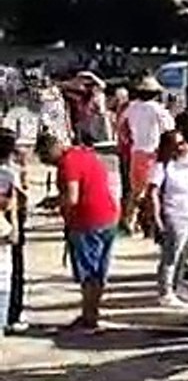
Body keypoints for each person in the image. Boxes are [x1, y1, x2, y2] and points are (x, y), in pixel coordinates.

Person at [36, 131, 119, 332]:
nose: (47, 163)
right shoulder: (84, 154)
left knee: (88, 271)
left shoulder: (67, 164)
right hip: (108, 215)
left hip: (87, 221)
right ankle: (92, 312)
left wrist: (52, 202)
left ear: (53, 150)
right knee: (99, 270)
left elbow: (72, 197)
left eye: (45, 157)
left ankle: (89, 317)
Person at [146, 126, 188, 307]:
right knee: (172, 253)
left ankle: (178, 285)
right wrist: (157, 218)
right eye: (177, 144)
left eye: (183, 142)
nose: (182, 147)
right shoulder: (163, 166)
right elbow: (153, 192)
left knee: (186, 252)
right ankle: (165, 291)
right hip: (174, 213)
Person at [120, 76, 175, 232]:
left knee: (136, 189)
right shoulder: (157, 109)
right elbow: (169, 127)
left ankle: (129, 218)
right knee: (150, 189)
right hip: (152, 151)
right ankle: (145, 221)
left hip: (136, 150)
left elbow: (122, 126)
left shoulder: (131, 107)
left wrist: (127, 139)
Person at [0, 128, 27, 334]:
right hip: (6, 224)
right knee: (10, 272)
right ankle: (11, 315)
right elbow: (17, 202)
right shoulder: (9, 172)